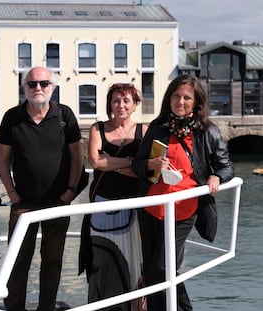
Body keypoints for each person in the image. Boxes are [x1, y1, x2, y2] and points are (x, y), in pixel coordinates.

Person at [132, 74, 234, 310]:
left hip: (183, 211)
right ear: (169, 98)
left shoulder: (208, 131)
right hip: (149, 208)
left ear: (196, 101)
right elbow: (138, 164)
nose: (180, 101)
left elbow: (226, 166)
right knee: (151, 270)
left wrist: (216, 176)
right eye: (176, 96)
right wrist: (150, 164)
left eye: (187, 97)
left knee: (163, 268)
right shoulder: (158, 127)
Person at [0, 66, 83, 311]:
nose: (38, 88)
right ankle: (15, 309)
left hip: (57, 202)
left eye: (44, 84)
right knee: (17, 260)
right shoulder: (12, 117)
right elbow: (2, 160)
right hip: (22, 204)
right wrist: (12, 193)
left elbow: (77, 157)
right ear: (24, 87)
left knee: (53, 260)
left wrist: (70, 191)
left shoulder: (65, 115)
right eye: (32, 84)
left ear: (52, 88)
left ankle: (46, 308)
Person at [78, 83, 147, 311]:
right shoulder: (97, 129)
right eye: (116, 100)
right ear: (110, 103)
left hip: (135, 207)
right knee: (103, 260)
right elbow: (96, 162)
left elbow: (145, 168)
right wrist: (129, 163)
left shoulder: (144, 131)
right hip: (103, 206)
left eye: (126, 100)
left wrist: (114, 165)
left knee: (135, 263)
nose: (121, 105)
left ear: (135, 104)